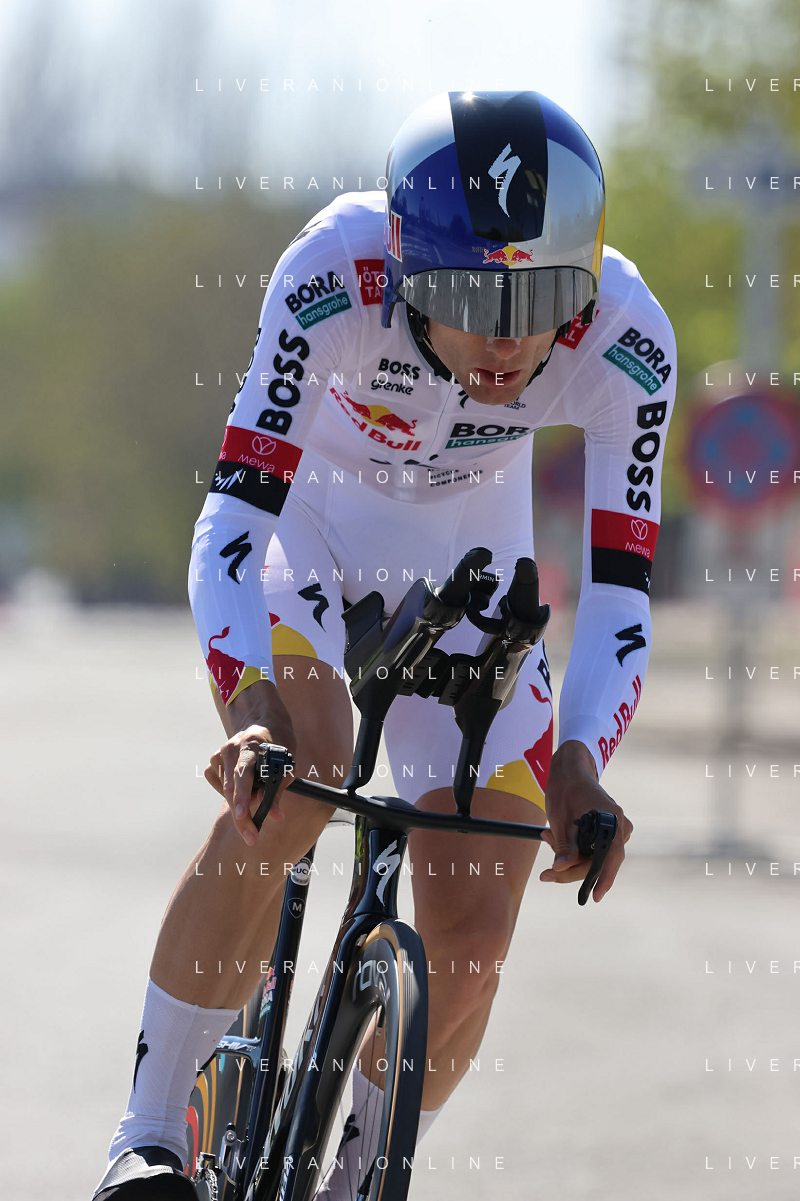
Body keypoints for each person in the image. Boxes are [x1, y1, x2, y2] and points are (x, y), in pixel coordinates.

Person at [92, 89, 674, 1199]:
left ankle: (357, 1175)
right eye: (467, 296)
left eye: (542, 299)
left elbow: (618, 589)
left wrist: (580, 763)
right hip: (310, 524)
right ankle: (147, 1136)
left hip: (470, 557)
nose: (507, 340)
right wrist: (247, 707)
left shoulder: (626, 338)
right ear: (406, 270)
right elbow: (235, 516)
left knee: (474, 935)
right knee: (299, 772)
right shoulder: (335, 269)